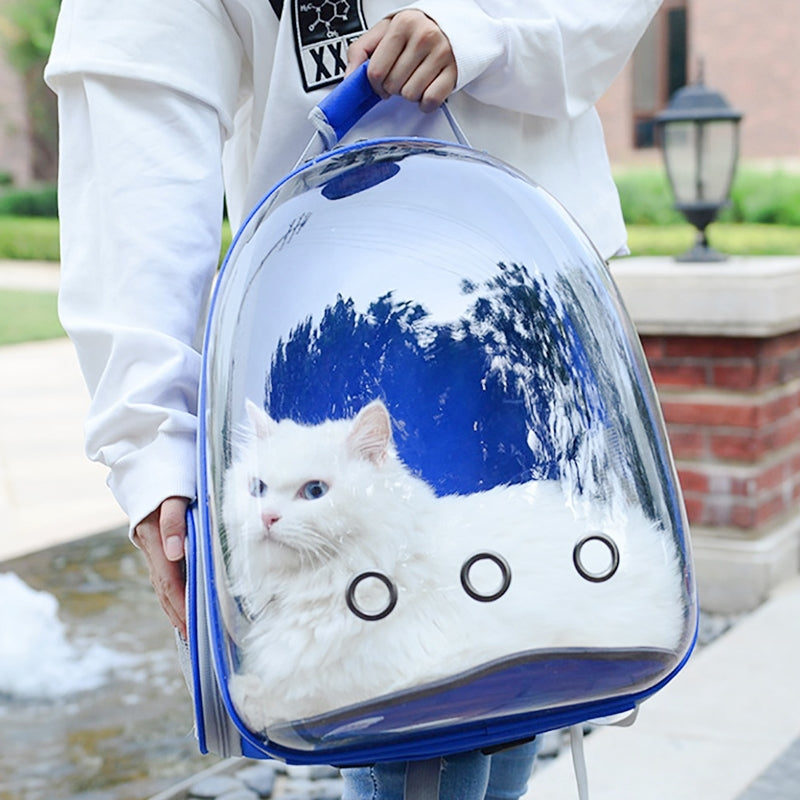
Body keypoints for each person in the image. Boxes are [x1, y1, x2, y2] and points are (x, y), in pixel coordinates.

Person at [45, 1, 662, 798]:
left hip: (520, 276)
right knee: (382, 682)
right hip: (324, 293)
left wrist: (482, 31)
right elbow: (137, 91)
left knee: (525, 650)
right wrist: (152, 442)